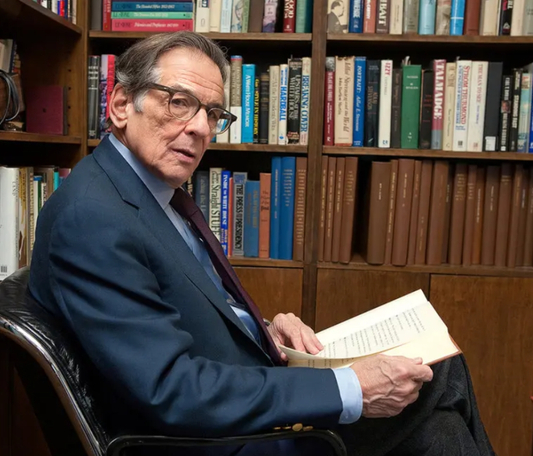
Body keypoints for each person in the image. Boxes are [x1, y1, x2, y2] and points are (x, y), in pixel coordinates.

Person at [28, 31, 496, 456]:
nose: (200, 128)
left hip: (244, 401)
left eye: (213, 114)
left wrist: (262, 330)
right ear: (120, 105)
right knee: (438, 371)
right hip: (221, 440)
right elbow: (171, 390)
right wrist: (350, 387)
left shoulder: (144, 191)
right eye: (179, 102)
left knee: (439, 429)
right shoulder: (92, 218)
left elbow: (176, 310)